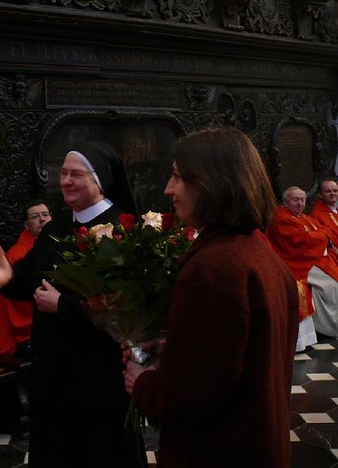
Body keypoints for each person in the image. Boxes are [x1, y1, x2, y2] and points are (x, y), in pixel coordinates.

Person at [123, 127, 299, 468]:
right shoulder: (256, 250)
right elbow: (238, 356)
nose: (168, 190)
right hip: (259, 443)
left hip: (220, 450)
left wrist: (142, 383)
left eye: (177, 177)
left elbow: (193, 398)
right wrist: (170, 348)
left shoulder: (213, 268)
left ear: (210, 182)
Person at [0, 141, 145, 467]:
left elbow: (123, 305)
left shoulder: (121, 227)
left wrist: (63, 305)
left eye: (75, 174)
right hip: (54, 378)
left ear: (99, 181)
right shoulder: (56, 227)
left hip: (97, 379)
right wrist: (6, 277)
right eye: (63, 172)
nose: (65, 180)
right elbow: (31, 279)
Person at [266, 186, 338, 339]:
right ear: (286, 202)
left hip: (311, 258)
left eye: (303, 200)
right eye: (295, 200)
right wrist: (320, 235)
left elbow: (324, 231)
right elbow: (301, 241)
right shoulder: (281, 218)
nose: (300, 203)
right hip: (295, 262)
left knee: (331, 283)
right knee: (330, 287)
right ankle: (328, 328)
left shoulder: (303, 217)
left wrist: (318, 235)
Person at [0, 199, 52, 356]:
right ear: (26, 225)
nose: (42, 219)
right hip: (30, 329)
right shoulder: (17, 255)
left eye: (45, 214)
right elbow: (21, 298)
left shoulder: (54, 244)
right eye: (35, 216)